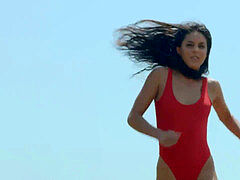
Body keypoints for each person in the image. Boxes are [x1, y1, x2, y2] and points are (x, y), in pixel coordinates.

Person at [114, 19, 240, 180]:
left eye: (201, 46)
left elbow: (228, 119)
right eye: (190, 45)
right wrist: (159, 134)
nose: (196, 50)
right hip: (169, 168)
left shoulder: (212, 87)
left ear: (207, 52)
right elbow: (133, 117)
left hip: (204, 168)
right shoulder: (160, 76)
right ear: (179, 49)